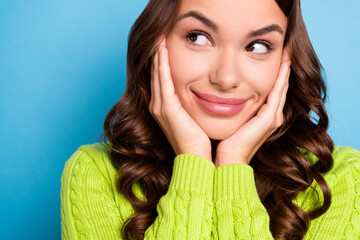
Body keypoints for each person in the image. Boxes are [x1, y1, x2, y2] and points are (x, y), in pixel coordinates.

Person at [61, 0, 360, 239]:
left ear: (287, 59)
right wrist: (193, 160)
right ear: (156, 43)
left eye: (257, 46)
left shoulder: (341, 180)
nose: (226, 78)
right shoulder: (94, 173)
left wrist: (233, 163)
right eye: (198, 37)